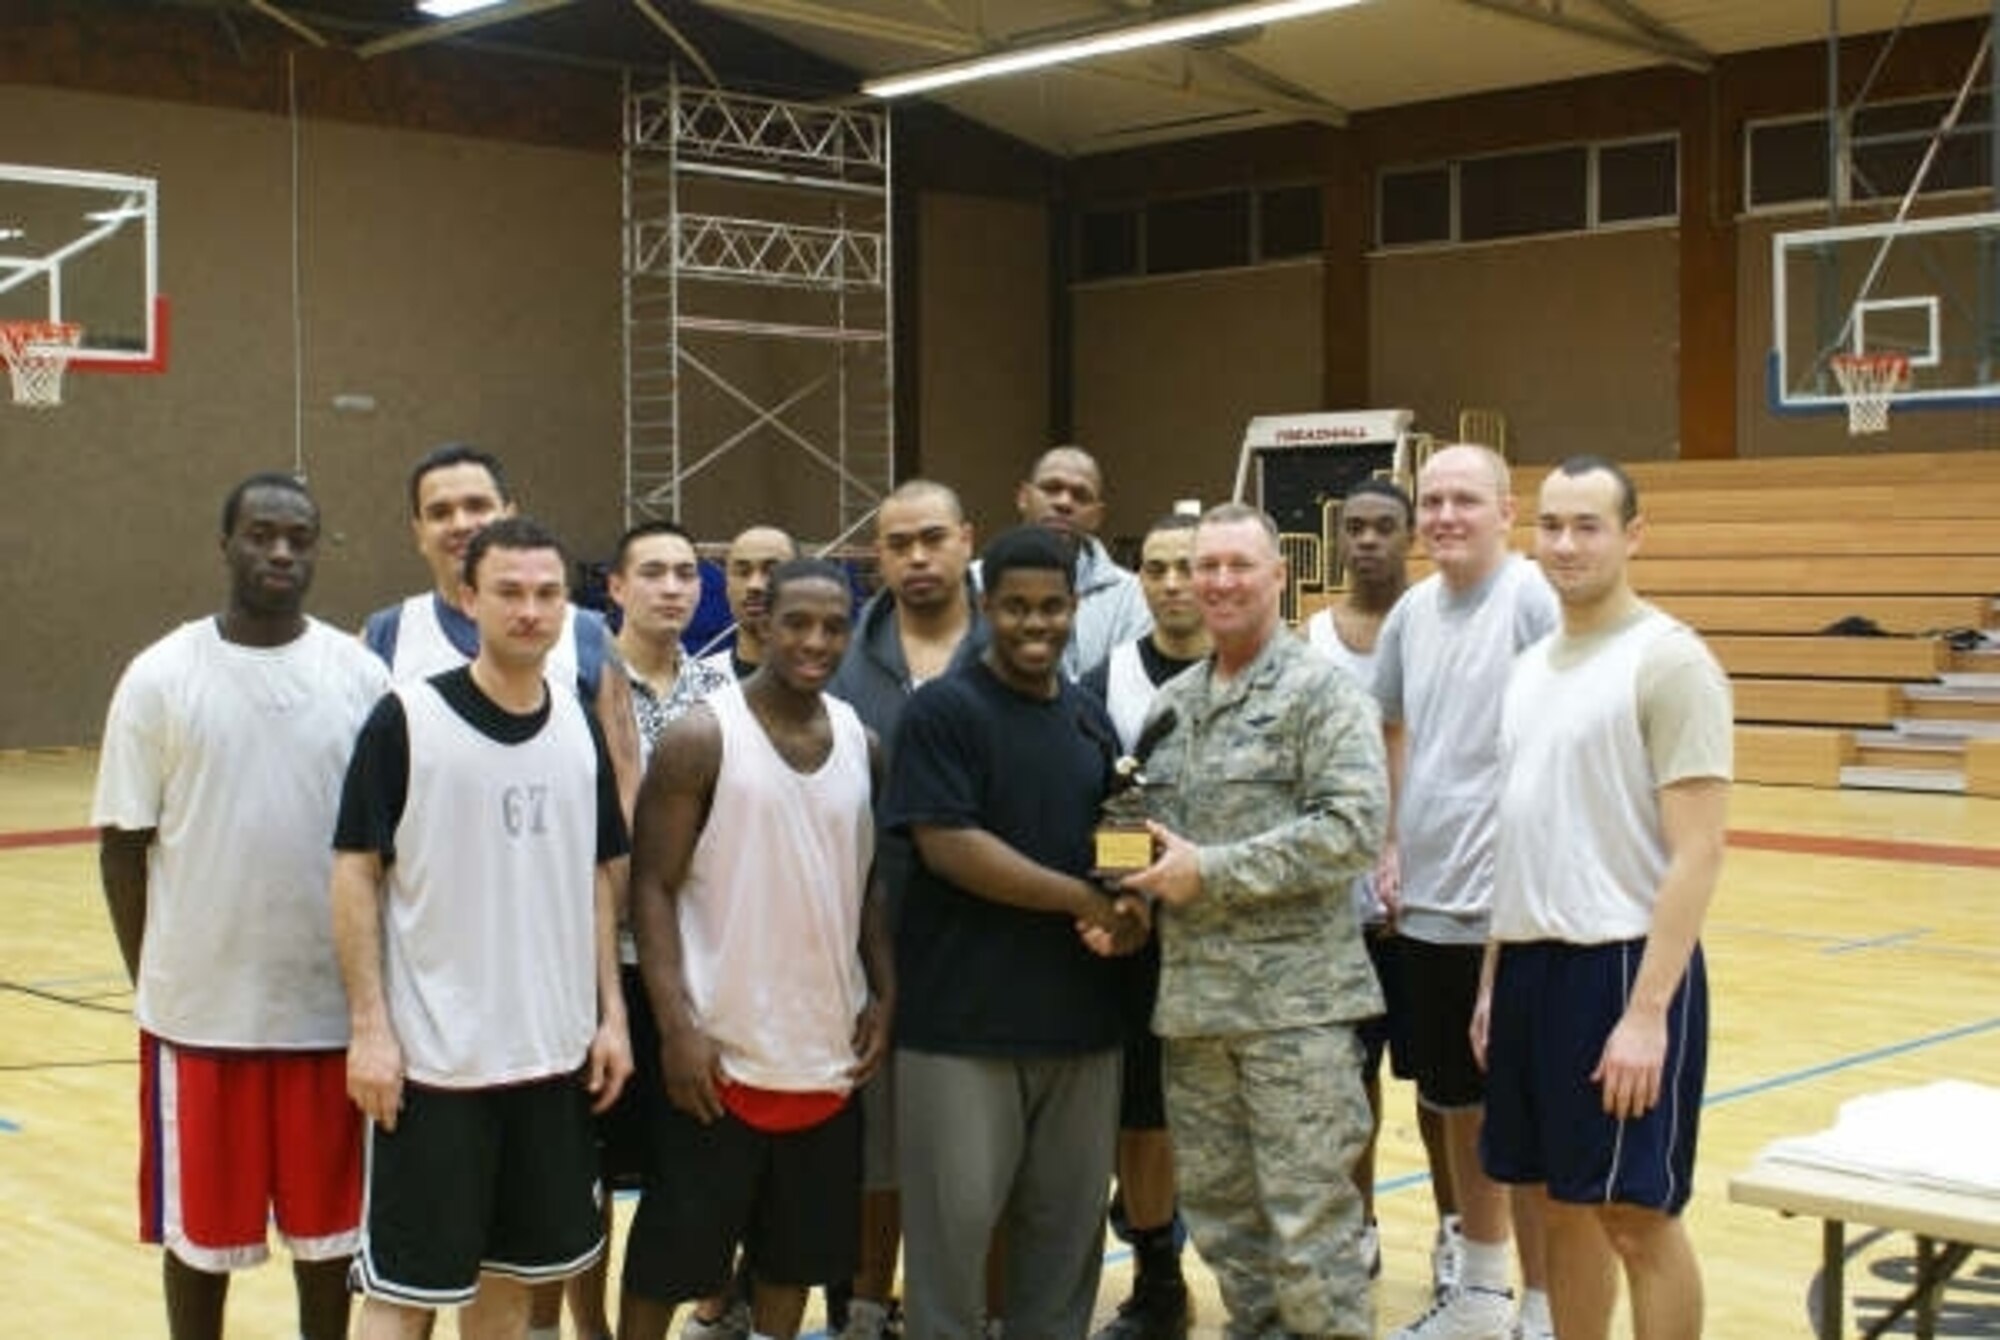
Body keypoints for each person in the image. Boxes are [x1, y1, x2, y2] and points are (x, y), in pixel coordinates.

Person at [93, 473, 389, 1340]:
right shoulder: (160, 676)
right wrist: (157, 983)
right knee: (198, 1244)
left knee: (330, 1242)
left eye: (298, 537)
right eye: (261, 535)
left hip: (329, 1016)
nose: (281, 552)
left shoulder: (358, 675)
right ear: (225, 544)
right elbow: (123, 846)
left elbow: (386, 847)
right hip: (200, 1021)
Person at [332, 516, 634, 1340]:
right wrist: (370, 1030)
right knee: (401, 1291)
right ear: (469, 598)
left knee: (509, 1286)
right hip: (437, 1068)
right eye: (509, 592)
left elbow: (596, 879)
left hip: (551, 1059)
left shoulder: (578, 723)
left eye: (547, 594)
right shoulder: (405, 719)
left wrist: (610, 1015)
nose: (530, 611)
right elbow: (355, 870)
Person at [1476, 456, 1731, 1340]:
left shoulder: (1669, 662)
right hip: (1528, 970)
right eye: (1550, 525)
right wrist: (1489, 985)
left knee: (1635, 1215)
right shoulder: (1531, 669)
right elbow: (1523, 840)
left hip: (1620, 969)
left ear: (1633, 535)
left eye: (1588, 525)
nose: (1566, 543)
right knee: (1555, 1205)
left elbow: (1699, 850)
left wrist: (1647, 1014)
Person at [1121, 502, 1387, 1340]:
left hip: (1295, 1017)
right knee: (1229, 1230)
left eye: (1241, 565)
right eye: (1208, 567)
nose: (1221, 582)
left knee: (1310, 1235)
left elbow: (1352, 829)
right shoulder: (1173, 706)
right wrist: (1120, 898)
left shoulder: (1322, 694)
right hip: (1197, 1015)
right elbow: (1131, 826)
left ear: (1280, 576)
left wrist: (1213, 870)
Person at [618, 559, 896, 1340]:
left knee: (793, 1262)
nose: (815, 640)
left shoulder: (862, 742)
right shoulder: (703, 737)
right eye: (797, 623)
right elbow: (652, 889)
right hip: (719, 1052)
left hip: (823, 1049)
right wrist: (676, 1026)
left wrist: (885, 992)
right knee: (670, 1261)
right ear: (763, 624)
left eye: (833, 625)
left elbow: (867, 883)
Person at [885, 526, 1148, 1340]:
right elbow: (949, 845)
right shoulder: (943, 712)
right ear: (984, 607)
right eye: (1017, 607)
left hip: (1081, 1028)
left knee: (1065, 1250)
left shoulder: (1090, 719)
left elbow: (1119, 834)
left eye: (1054, 607)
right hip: (962, 1032)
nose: (1037, 625)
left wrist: (1133, 907)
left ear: (1076, 608)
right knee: (953, 1250)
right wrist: (1083, 900)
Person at [1373, 445, 1560, 1340]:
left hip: (1513, 912)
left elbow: (1559, 742)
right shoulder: (1412, 611)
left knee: (1521, 1116)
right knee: (1456, 1103)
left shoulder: (1529, 598)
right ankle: (1481, 1294)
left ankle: (1546, 1302)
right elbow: (1396, 730)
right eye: (1432, 502)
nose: (1444, 516)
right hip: (1433, 905)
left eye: (1463, 501)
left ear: (1505, 511)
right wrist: (1395, 839)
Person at [551, 521, 735, 1340]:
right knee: (581, 1174)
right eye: (652, 573)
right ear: (615, 590)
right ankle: (585, 1328)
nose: (672, 588)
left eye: (686, 574)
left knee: (679, 1174)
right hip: (591, 970)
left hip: (687, 973)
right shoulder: (572, 685)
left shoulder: (721, 696)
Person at [826, 478, 986, 1340]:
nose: (917, 557)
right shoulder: (845, 659)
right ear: (877, 557)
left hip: (991, 945)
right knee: (875, 1148)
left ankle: (977, 1312)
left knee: (981, 1152)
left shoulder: (1018, 644)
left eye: (933, 538)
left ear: (967, 538)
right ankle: (861, 1308)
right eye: (898, 544)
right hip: (869, 941)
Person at [1304, 479, 1462, 1294]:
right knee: (1348, 1086)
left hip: (1432, 900)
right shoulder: (1312, 639)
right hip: (1343, 911)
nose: (1367, 540)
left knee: (1442, 1088)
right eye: (1354, 527)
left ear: (1410, 536)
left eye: (1383, 527)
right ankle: (1358, 1230)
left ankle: (1457, 1238)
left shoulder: (1442, 623)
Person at [1079, 514, 1209, 1340]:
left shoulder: (1258, 672)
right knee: (1143, 1118)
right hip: (1147, 939)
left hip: (1240, 938)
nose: (1170, 583)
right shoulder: (1106, 677)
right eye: (1155, 567)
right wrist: (1135, 897)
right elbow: (1107, 802)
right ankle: (1159, 1277)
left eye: (1186, 567)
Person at [360, 442, 641, 817]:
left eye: (477, 506)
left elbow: (625, 783)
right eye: (440, 512)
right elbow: (363, 789)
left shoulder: (585, 634)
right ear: (419, 533)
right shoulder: (383, 636)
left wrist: (606, 876)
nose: (461, 523)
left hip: (559, 870)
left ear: (510, 514)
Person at [995, 446, 1150, 679]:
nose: (1064, 503)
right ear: (1023, 498)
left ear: (1097, 516)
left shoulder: (1132, 597)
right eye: (1051, 488)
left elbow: (1127, 691)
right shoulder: (977, 581)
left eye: (1081, 495)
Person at [700, 525, 801, 679]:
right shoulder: (696, 685)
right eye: (742, 572)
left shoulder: (834, 684)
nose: (755, 585)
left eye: (771, 571)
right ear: (727, 586)